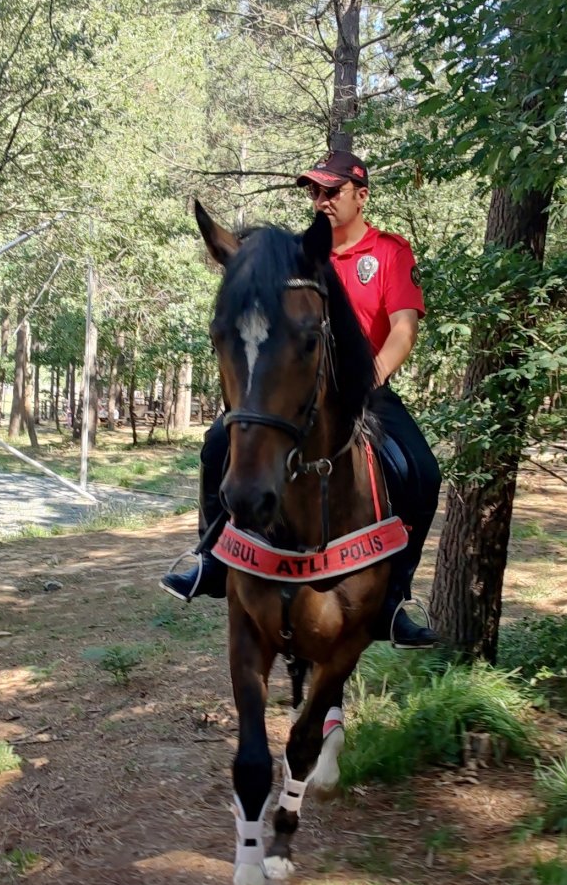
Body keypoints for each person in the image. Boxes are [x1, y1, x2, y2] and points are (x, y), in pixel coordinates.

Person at [160, 150, 443, 649]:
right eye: (315, 192)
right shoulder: (293, 252)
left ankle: (396, 597)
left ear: (361, 195)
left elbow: (403, 330)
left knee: (420, 468)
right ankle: (209, 559)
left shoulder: (390, 253)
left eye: (332, 191)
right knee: (213, 448)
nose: (322, 200)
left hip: (366, 390)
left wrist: (372, 376)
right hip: (290, 393)